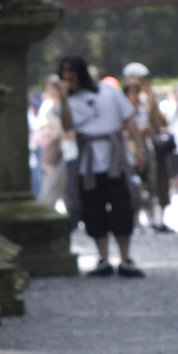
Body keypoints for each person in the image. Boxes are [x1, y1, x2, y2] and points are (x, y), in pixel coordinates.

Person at [59, 56, 147, 277]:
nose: (68, 76)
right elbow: (67, 125)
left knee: (122, 207)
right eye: (64, 72)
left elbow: (129, 120)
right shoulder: (68, 101)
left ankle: (125, 258)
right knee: (93, 210)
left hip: (114, 158)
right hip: (88, 163)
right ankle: (104, 259)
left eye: (72, 71)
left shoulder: (109, 91)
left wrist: (141, 149)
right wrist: (62, 96)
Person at [123, 62, 173, 232]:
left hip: (151, 147)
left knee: (157, 183)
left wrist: (152, 104)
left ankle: (157, 220)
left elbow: (160, 124)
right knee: (136, 184)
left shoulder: (149, 98)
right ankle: (136, 221)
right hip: (131, 149)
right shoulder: (122, 100)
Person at [37, 75, 67, 207]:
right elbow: (42, 125)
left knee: (63, 188)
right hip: (52, 150)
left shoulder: (65, 105)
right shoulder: (47, 105)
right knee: (49, 188)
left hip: (66, 149)